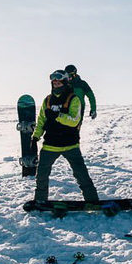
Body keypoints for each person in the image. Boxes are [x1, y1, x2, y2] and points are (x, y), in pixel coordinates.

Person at [32, 69, 100, 205]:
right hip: (50, 144)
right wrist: (35, 137)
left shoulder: (73, 99)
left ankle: (93, 201)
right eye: (53, 80)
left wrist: (58, 116)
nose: (55, 82)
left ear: (64, 81)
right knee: (41, 175)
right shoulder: (48, 100)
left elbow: (74, 120)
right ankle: (40, 201)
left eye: (58, 80)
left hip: (70, 144)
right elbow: (41, 121)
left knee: (81, 174)